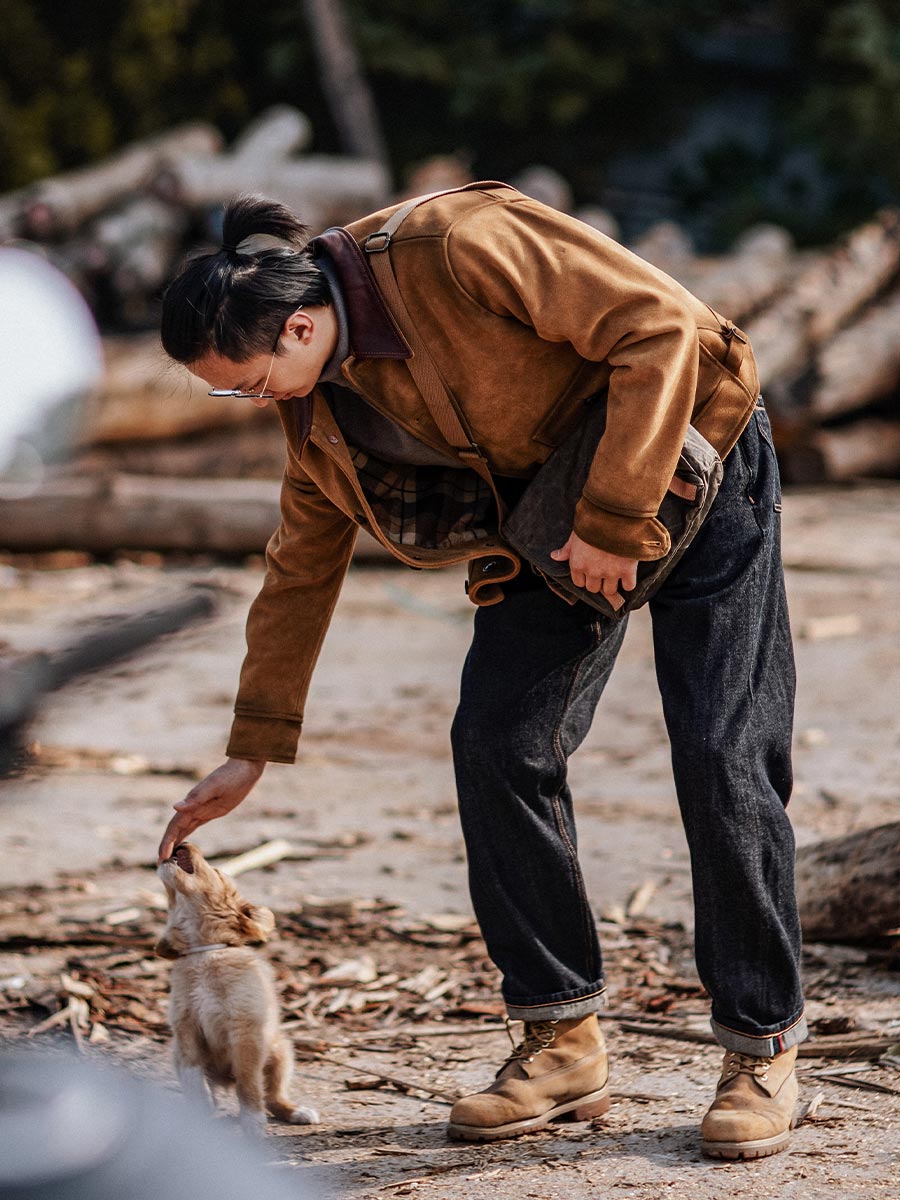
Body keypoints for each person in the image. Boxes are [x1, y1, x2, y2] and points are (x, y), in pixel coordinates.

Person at [157, 183, 805, 1160]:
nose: (254, 402)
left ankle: (762, 1047)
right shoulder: (319, 406)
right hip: (553, 510)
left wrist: (613, 519)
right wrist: (253, 749)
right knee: (498, 741)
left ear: (298, 327)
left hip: (695, 444)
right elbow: (299, 566)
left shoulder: (456, 243)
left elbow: (660, 328)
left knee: (721, 751)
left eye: (246, 383)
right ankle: (561, 1038)